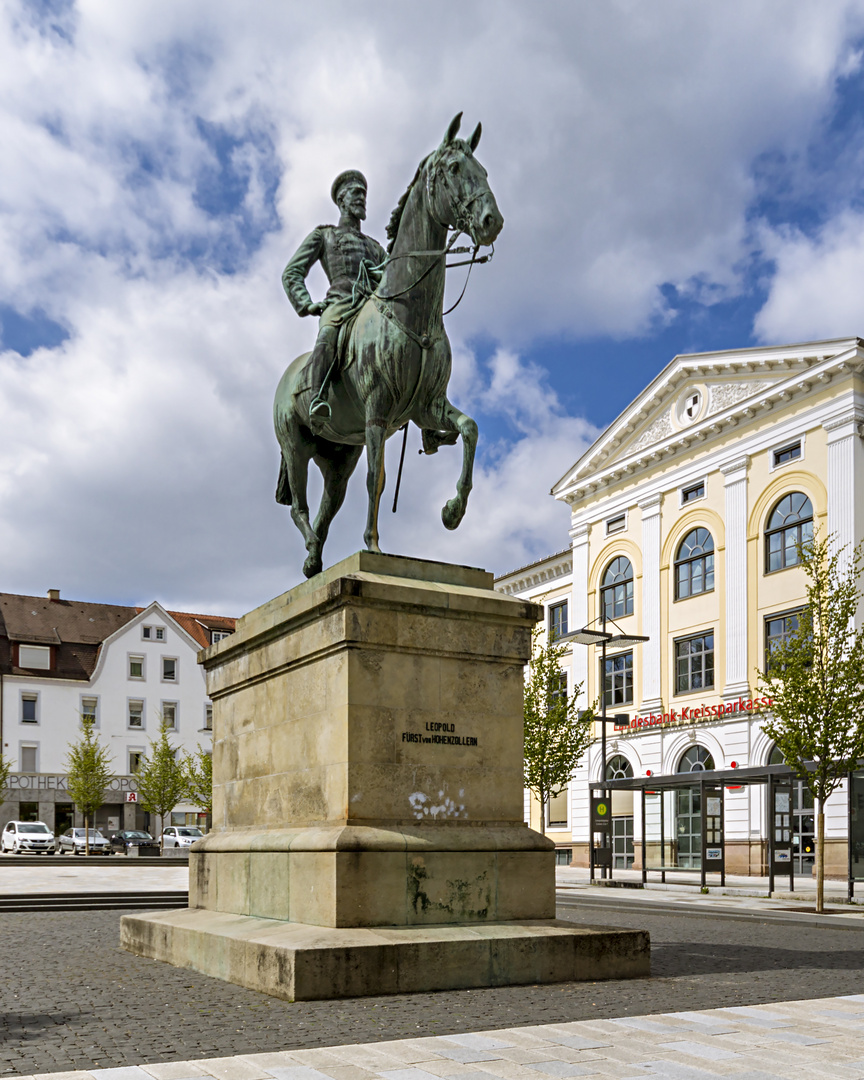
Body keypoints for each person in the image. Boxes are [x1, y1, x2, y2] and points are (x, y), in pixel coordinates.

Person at [282, 170, 386, 432]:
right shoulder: (324, 235)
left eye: (364, 194)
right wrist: (306, 304)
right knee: (328, 334)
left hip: (374, 304)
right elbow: (292, 272)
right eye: (356, 193)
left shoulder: (375, 247)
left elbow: (392, 274)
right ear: (341, 200)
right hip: (340, 301)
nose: (362, 199)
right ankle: (318, 397)